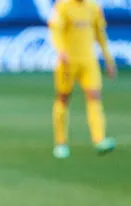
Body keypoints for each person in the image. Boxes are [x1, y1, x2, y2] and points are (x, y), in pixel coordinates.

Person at [48, 0, 117, 159]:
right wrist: (61, 51)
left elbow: (100, 34)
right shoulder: (62, 7)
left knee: (94, 97)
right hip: (67, 62)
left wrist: (108, 59)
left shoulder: (93, 7)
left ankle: (99, 139)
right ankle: (60, 143)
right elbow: (56, 31)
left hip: (88, 61)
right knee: (63, 98)